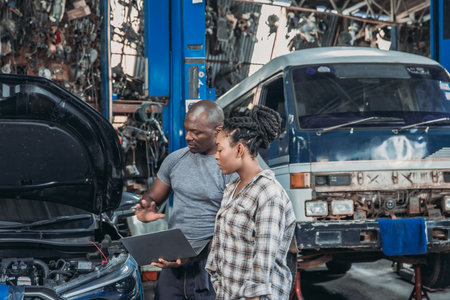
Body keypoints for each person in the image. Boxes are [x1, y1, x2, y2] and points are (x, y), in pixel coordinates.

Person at [133, 100, 236, 300]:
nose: (188, 137)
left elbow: (234, 227)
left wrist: (194, 256)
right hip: (173, 262)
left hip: (212, 265)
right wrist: (145, 206)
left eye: (196, 132)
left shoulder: (229, 167)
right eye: (187, 130)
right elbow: (153, 196)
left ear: (217, 131)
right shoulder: (175, 160)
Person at [206, 105, 296, 300]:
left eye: (220, 149)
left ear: (239, 149)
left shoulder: (269, 194)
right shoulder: (232, 189)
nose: (216, 156)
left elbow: (262, 261)